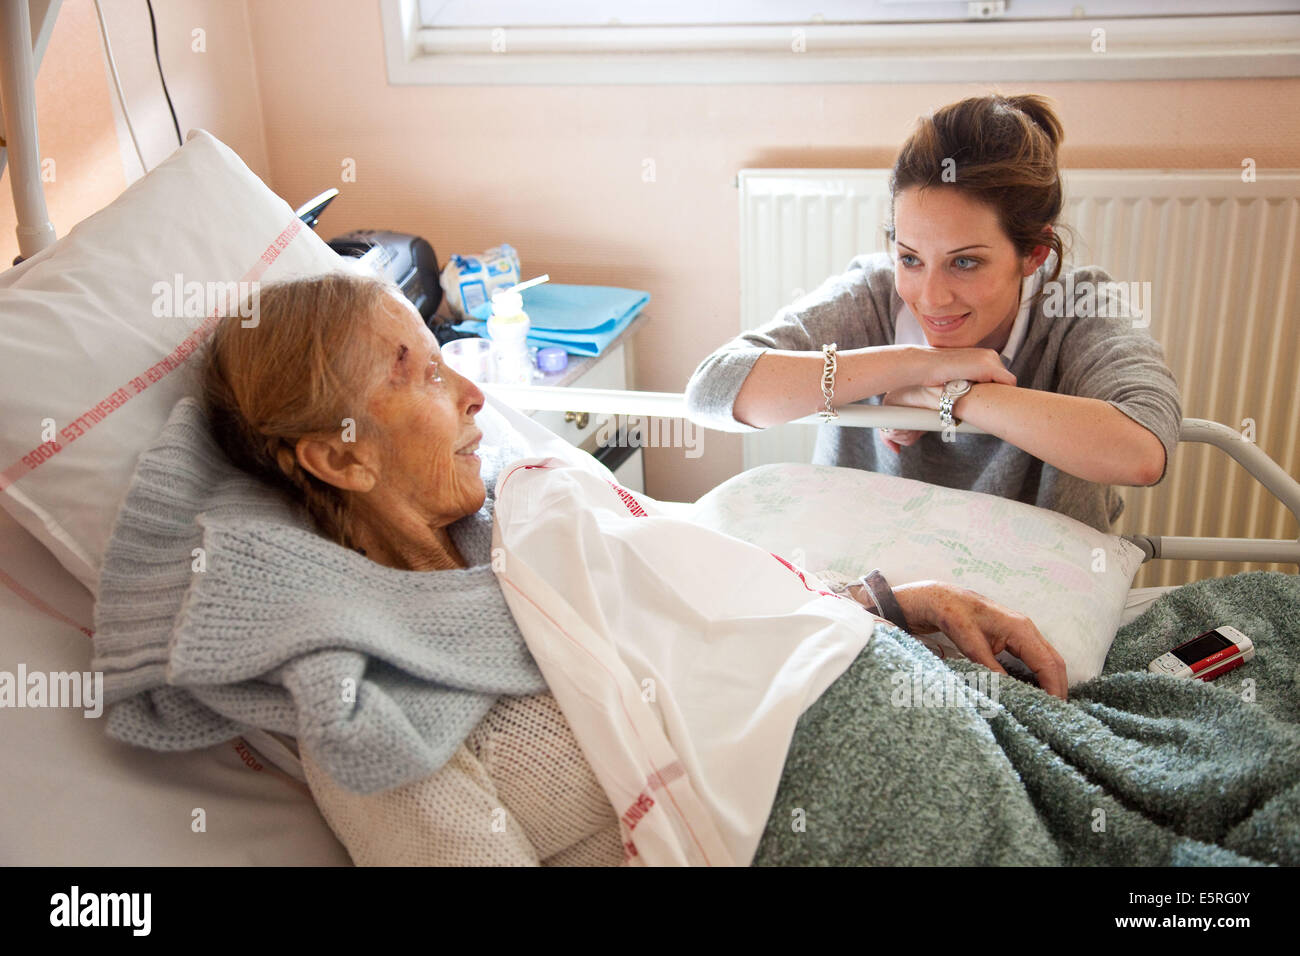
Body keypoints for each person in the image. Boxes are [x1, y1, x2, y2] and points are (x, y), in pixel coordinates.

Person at [99, 271, 1065, 867]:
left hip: (917, 697)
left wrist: (903, 603)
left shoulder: (530, 521)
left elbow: (710, 626)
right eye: (422, 374)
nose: (475, 394)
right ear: (341, 457)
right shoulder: (377, 712)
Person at [685, 93, 1182, 533]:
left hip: (1031, 605)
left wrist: (949, 396)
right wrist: (919, 364)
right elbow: (713, 391)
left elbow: (1140, 450)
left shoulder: (1075, 307)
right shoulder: (873, 296)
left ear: (1034, 254)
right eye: (910, 259)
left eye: (965, 262)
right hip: (868, 596)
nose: (931, 296)